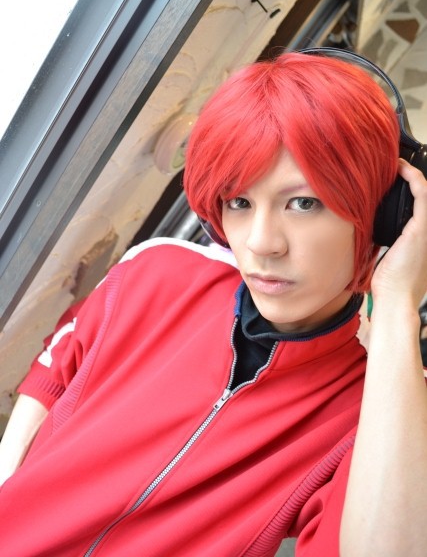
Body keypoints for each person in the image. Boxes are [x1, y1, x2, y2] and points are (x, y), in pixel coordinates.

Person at [0, 50, 426, 557]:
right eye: (239, 202)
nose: (261, 242)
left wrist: (397, 303)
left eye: (303, 202)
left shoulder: (378, 407)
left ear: (383, 215)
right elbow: (57, 366)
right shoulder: (160, 270)